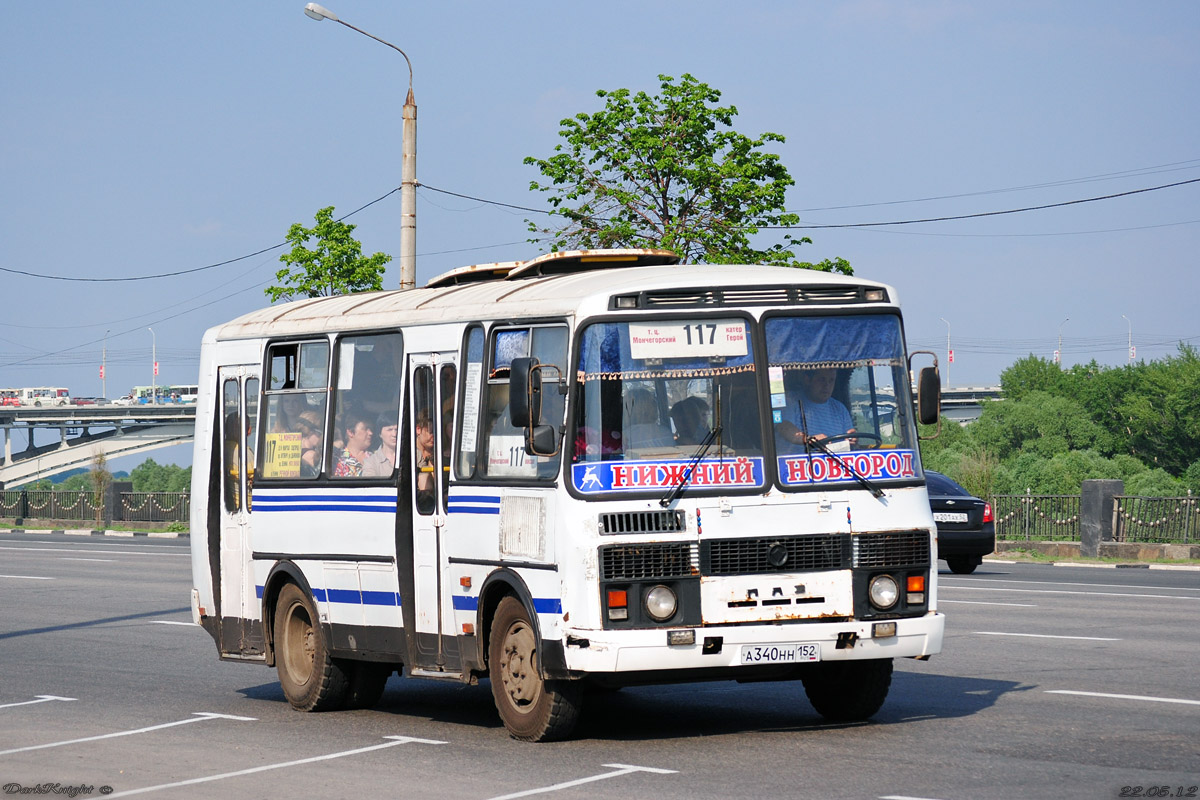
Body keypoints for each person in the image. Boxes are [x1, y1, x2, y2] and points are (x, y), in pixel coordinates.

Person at [776, 368, 856, 451]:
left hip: (836, 461)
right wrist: (809, 440)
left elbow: (848, 438)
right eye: (821, 380)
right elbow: (783, 427)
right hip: (800, 462)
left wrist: (851, 439)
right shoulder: (790, 401)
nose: (827, 385)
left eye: (831, 380)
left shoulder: (840, 408)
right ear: (808, 380)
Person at [333, 410, 373, 477]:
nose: (371, 433)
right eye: (365, 429)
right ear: (350, 432)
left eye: (371, 429)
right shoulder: (336, 459)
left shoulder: (376, 458)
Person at [296, 410, 324, 477]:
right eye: (320, 433)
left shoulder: (293, 452)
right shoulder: (312, 456)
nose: (322, 437)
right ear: (311, 432)